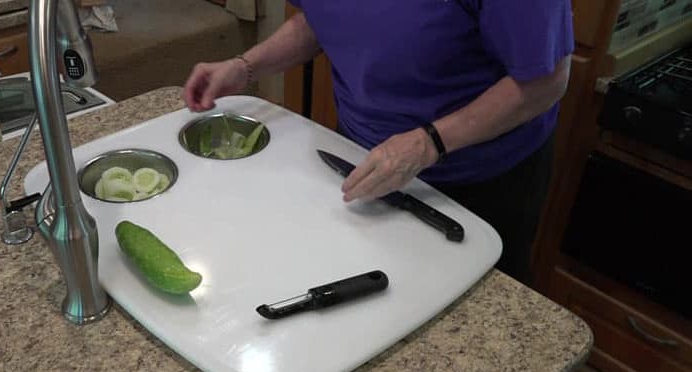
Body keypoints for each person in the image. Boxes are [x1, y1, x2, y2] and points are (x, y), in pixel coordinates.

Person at [182, 1, 574, 286]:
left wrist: (427, 144)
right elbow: (319, 21)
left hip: (479, 180)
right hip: (366, 156)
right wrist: (245, 66)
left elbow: (546, 81)